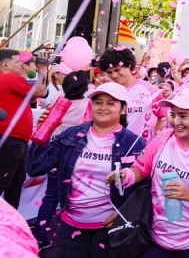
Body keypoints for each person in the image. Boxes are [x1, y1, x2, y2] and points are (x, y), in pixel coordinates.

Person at [27, 82, 146, 258]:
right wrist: (43, 134)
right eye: (98, 102)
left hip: (110, 227)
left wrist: (125, 212)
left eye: (111, 103)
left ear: (123, 109)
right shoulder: (70, 136)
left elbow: (143, 186)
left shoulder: (135, 143)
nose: (103, 107)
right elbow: (36, 169)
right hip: (70, 226)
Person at [113, 89, 189, 258]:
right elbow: (141, 169)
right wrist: (126, 175)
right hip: (156, 238)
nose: (176, 122)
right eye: (173, 115)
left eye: (183, 116)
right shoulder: (163, 138)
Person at [31, 70, 92, 248]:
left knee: (51, 194)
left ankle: (40, 235)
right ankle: (73, 235)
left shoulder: (58, 100)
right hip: (77, 152)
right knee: (75, 193)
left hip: (54, 148)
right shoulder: (88, 104)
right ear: (85, 87)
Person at [0, 49, 47, 208]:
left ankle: (10, 224)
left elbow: (33, 96)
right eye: (17, 62)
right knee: (5, 182)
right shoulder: (9, 78)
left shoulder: (10, 80)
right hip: (10, 140)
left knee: (15, 182)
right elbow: (41, 91)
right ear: (5, 65)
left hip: (15, 140)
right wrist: (40, 69)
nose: (22, 65)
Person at [97, 48, 160, 142]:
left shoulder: (150, 90)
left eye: (117, 70)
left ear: (129, 65)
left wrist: (156, 141)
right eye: (109, 72)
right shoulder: (106, 92)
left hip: (141, 149)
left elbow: (162, 115)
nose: (114, 75)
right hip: (110, 146)